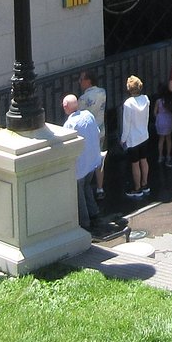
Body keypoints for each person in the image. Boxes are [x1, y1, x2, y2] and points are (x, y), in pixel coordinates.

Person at [62, 93, 102, 230]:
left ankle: (85, 223)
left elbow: (67, 147)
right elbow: (96, 132)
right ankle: (94, 212)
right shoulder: (88, 115)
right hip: (92, 161)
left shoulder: (69, 124)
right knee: (87, 188)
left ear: (65, 108)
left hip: (80, 166)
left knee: (80, 194)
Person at [77, 70, 107, 199]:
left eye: (81, 79)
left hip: (88, 135)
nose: (80, 82)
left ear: (88, 81)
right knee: (99, 159)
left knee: (86, 159)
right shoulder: (102, 92)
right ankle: (100, 188)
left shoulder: (83, 99)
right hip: (101, 130)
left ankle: (86, 186)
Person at [119, 75, 150, 198]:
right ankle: (145, 184)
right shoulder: (146, 99)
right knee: (144, 160)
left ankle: (137, 188)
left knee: (135, 163)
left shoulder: (128, 104)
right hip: (144, 135)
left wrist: (123, 139)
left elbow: (126, 123)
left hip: (133, 138)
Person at [153, 81, 172, 166]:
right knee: (168, 139)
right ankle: (168, 155)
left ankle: (160, 156)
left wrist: (157, 117)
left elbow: (155, 112)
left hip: (161, 119)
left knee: (161, 139)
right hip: (169, 119)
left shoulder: (158, 101)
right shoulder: (169, 100)